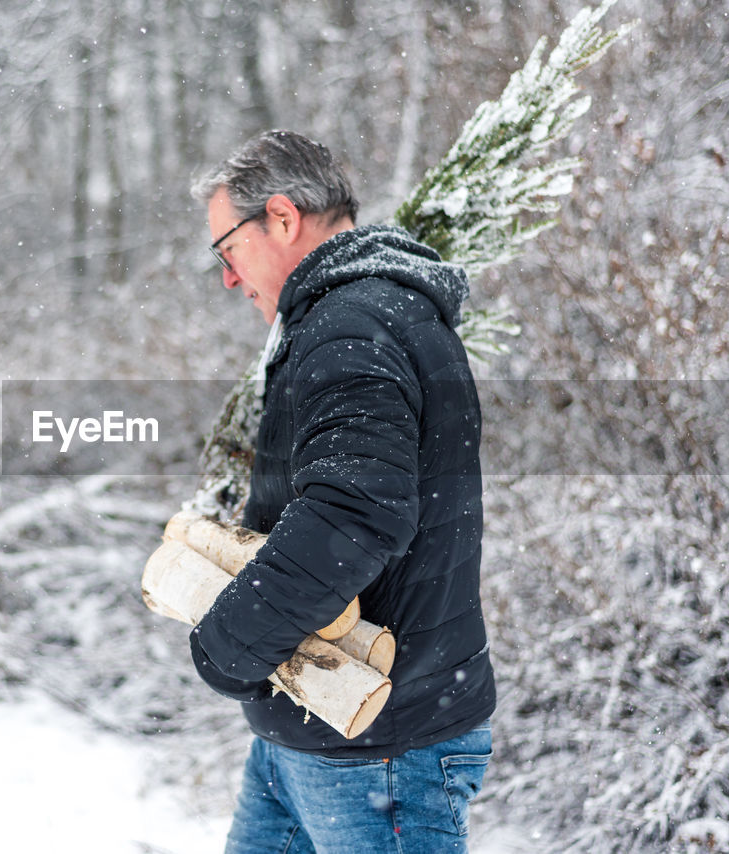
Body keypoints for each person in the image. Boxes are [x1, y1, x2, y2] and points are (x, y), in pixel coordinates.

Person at [188, 130, 497, 854]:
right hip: (315, 728)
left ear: (284, 217)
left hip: (379, 745)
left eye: (227, 248)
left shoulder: (350, 326)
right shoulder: (363, 314)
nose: (230, 277)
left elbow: (355, 513)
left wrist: (231, 643)